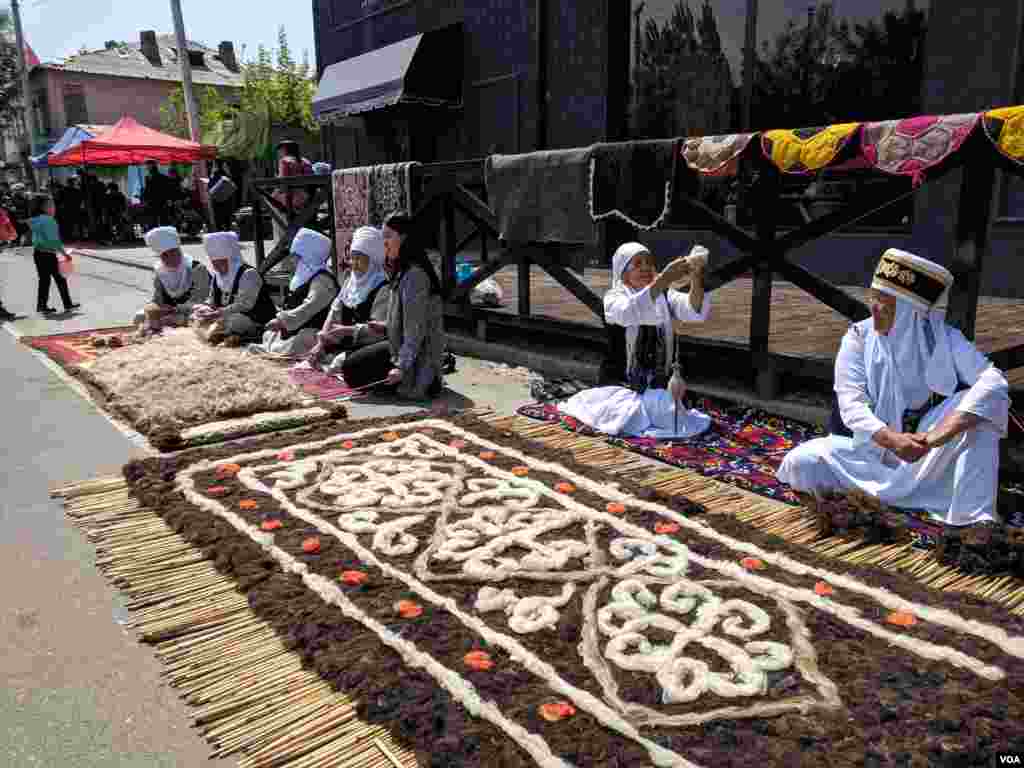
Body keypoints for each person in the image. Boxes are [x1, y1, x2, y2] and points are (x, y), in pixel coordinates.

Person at [777, 248, 1009, 533]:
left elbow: (993, 381)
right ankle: (910, 498)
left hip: (927, 457)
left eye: (884, 300)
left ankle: (973, 520)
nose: (873, 306)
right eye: (872, 295)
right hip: (871, 456)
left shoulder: (946, 339)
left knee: (981, 409)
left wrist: (937, 436)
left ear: (910, 311)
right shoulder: (858, 338)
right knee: (802, 463)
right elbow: (851, 404)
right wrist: (893, 440)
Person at [558, 242, 712, 438]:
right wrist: (664, 279)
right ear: (623, 272)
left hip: (657, 387)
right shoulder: (614, 298)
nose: (646, 268)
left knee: (670, 414)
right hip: (622, 387)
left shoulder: (664, 294)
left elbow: (694, 310)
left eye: (649, 263)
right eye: (638, 264)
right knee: (626, 416)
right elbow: (630, 311)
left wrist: (697, 275)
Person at [341, 213, 445, 399]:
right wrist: (385, 326)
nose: (384, 243)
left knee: (352, 369)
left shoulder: (415, 275)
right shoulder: (403, 271)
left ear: (404, 238)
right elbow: (406, 321)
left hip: (419, 355)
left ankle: (424, 380)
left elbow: (416, 328)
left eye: (388, 236)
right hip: (400, 345)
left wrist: (401, 367)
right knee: (351, 361)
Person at [308, 225, 389, 370]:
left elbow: (377, 333)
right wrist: (321, 344)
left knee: (343, 364)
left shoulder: (383, 288)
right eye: (353, 258)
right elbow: (334, 314)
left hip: (369, 346)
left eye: (360, 259)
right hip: (345, 344)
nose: (354, 264)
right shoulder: (349, 283)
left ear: (373, 260)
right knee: (314, 353)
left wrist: (346, 330)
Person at [250, 228, 340, 357]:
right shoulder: (303, 276)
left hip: (315, 330)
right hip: (296, 327)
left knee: (303, 339)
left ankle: (274, 351)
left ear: (309, 256)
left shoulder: (323, 280)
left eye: (296, 256)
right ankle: (274, 349)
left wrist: (282, 320)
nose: (292, 260)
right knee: (269, 334)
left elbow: (309, 307)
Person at [191, 231, 277, 346]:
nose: (216, 266)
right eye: (214, 262)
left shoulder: (248, 274)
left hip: (254, 317)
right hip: (225, 315)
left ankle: (247, 336)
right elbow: (212, 299)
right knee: (196, 316)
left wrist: (218, 313)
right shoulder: (217, 275)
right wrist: (205, 308)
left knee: (233, 322)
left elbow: (245, 305)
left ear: (231, 258)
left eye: (220, 262)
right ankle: (224, 336)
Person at [133, 226, 208, 336]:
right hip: (169, 313)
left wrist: (175, 309)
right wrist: (153, 307)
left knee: (199, 315)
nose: (170, 258)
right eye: (165, 255)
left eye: (173, 252)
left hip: (189, 312)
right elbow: (157, 299)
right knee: (140, 316)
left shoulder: (196, 268)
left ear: (179, 250)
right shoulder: (160, 272)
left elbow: (201, 299)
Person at [29, 194, 79, 315]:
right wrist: (64, 254)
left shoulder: (34, 219)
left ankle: (41, 306)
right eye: (51, 205)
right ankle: (68, 304)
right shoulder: (49, 220)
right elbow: (54, 240)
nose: (54, 208)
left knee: (44, 281)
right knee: (60, 279)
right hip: (48, 254)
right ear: (44, 207)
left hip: (38, 253)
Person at [142, 160, 171, 228]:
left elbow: (166, 189)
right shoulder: (148, 177)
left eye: (148, 166)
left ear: (152, 166)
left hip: (159, 201)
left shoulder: (161, 177)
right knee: (156, 220)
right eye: (147, 166)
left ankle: (162, 233)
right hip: (154, 201)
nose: (147, 168)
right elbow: (147, 189)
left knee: (160, 219)